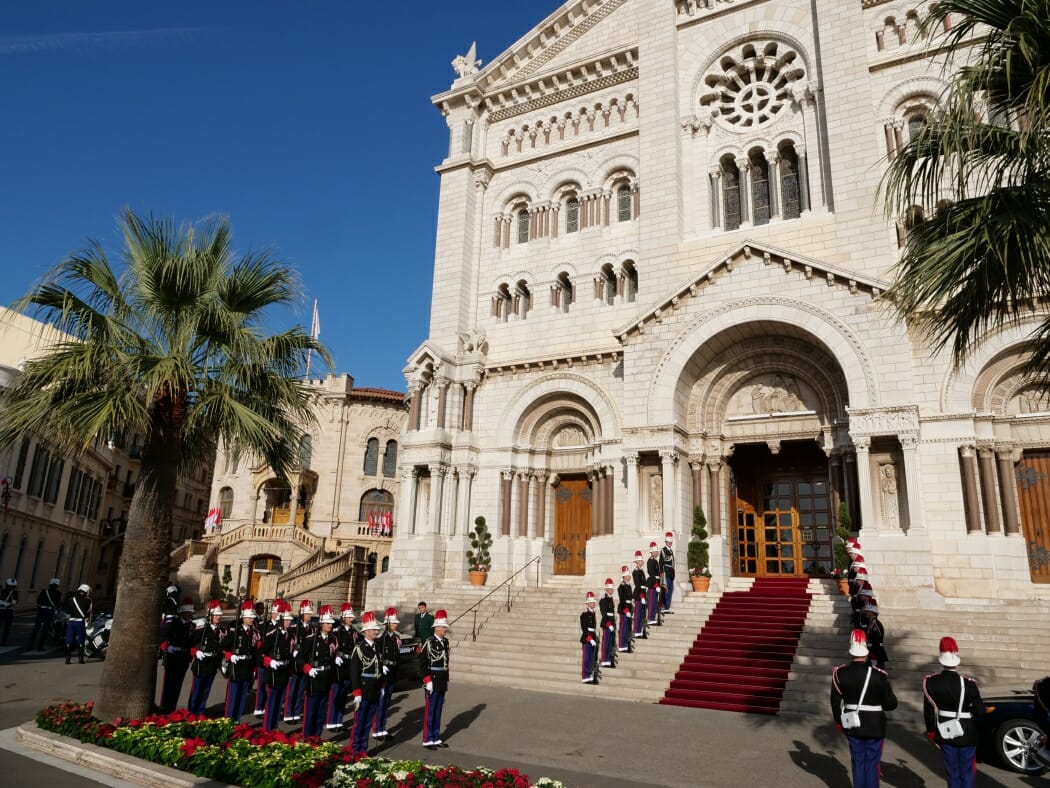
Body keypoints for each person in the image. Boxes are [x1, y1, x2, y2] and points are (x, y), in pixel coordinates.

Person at [831, 629, 898, 788]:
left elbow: (835, 702)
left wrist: (839, 722)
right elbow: (891, 704)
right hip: (875, 724)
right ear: (866, 652)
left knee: (858, 762)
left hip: (852, 723)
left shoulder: (839, 674)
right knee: (873, 764)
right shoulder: (878, 675)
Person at [922, 637, 985, 788]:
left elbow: (929, 712)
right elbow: (980, 711)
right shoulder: (969, 684)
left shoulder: (930, 682)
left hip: (945, 731)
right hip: (967, 732)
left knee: (952, 772)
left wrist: (932, 732)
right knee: (968, 772)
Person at [297, 604, 338, 738]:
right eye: (327, 623)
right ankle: (308, 737)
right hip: (314, 678)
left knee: (321, 712)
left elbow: (332, 657)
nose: (330, 626)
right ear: (321, 624)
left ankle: (317, 737)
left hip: (326, 678)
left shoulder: (332, 639)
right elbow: (300, 658)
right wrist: (308, 669)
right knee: (311, 712)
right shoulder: (312, 640)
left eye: (331, 623)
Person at [350, 610, 383, 760]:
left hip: (374, 688)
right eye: (374, 629)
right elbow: (355, 672)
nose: (376, 631)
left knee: (368, 722)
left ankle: (363, 749)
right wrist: (356, 692)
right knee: (359, 722)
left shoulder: (377, 647)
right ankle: (354, 750)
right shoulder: (359, 648)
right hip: (363, 688)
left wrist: (381, 686)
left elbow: (379, 669)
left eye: (376, 629)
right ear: (366, 631)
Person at [221, 599, 260, 721]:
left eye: (252, 618)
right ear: (243, 618)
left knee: (242, 696)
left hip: (247, 667)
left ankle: (236, 720)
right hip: (236, 666)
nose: (251, 619)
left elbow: (254, 652)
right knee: (233, 696)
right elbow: (222, 647)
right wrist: (229, 655)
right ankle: (229, 720)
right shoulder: (235, 631)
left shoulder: (253, 632)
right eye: (249, 617)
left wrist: (254, 669)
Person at [260, 603, 295, 732]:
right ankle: (267, 729)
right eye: (286, 619)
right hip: (274, 672)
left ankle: (274, 728)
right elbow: (261, 653)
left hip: (284, 672)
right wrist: (270, 661)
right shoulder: (274, 635)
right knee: (272, 702)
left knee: (279, 702)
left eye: (290, 619)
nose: (289, 622)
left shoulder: (290, 635)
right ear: (281, 620)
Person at [420, 609, 451, 750]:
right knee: (430, 711)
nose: (445, 629)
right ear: (437, 628)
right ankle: (428, 739)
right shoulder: (429, 642)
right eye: (443, 627)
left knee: (438, 710)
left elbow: (446, 662)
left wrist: (446, 680)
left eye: (445, 627)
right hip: (432, 679)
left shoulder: (445, 642)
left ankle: (436, 737)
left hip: (441, 680)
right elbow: (423, 663)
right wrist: (427, 680)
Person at [158, 597, 195, 713]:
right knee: (169, 685)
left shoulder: (191, 626)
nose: (189, 615)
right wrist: (167, 647)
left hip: (183, 658)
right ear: (182, 612)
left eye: (191, 613)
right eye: (187, 612)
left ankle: (172, 708)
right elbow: (161, 635)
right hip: (172, 657)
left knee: (177, 685)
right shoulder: (173, 622)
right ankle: (165, 708)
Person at [188, 600, 225, 714]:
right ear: (210, 616)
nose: (218, 617)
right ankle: (192, 712)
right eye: (216, 615)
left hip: (212, 663)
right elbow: (190, 643)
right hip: (201, 663)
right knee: (197, 690)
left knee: (206, 690)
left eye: (219, 615)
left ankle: (200, 711)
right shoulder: (202, 629)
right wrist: (196, 652)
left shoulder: (221, 630)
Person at [327, 602, 357, 731]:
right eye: (349, 617)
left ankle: (338, 721)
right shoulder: (336, 632)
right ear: (344, 618)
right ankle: (331, 721)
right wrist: (336, 656)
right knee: (335, 694)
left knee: (344, 694)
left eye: (352, 617)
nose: (352, 619)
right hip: (339, 665)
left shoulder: (354, 632)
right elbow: (331, 648)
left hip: (348, 665)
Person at [284, 600, 315, 722]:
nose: (310, 615)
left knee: (301, 690)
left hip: (305, 663)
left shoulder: (312, 629)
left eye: (310, 613)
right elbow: (288, 643)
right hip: (294, 664)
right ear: (302, 614)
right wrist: (293, 651)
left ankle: (296, 713)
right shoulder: (294, 628)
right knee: (291, 690)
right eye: (308, 613)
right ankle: (288, 713)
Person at [374, 606, 401, 738]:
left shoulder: (396, 638)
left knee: (387, 702)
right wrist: (381, 665)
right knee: (381, 702)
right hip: (383, 674)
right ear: (388, 624)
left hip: (392, 673)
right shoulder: (381, 639)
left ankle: (382, 728)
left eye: (396, 623)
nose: (396, 625)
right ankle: (377, 729)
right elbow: (376, 656)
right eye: (394, 623)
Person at [253, 599, 283, 716]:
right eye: (275, 613)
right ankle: (259, 707)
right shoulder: (264, 626)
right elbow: (260, 644)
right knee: (261, 685)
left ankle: (268, 706)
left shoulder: (282, 628)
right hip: (264, 660)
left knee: (272, 686)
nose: (277, 616)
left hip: (276, 661)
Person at [28, 578, 61, 651]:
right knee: (45, 630)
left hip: (41, 611)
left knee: (36, 628)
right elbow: (58, 603)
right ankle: (40, 646)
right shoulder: (58, 593)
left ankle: (30, 646)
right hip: (49, 612)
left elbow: (38, 601)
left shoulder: (44, 592)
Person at [64, 583, 92, 664]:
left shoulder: (71, 599)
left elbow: (67, 609)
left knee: (69, 639)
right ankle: (80, 659)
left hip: (71, 622)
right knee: (81, 639)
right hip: (80, 622)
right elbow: (89, 613)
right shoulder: (88, 600)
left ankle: (67, 659)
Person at [861, 599, 888, 671]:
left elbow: (876, 641)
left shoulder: (875, 625)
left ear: (871, 612)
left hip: (876, 653)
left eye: (867, 610)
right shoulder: (871, 623)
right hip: (871, 652)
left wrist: (874, 655)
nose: (865, 612)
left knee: (878, 673)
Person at [580, 591, 599, 684]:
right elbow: (585, 628)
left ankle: (589, 674)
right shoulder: (584, 614)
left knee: (591, 657)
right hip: (587, 638)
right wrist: (590, 639)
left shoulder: (593, 613)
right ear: (588, 603)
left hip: (592, 636)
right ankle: (585, 676)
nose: (593, 603)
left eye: (594, 602)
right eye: (592, 602)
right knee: (586, 658)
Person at [598, 579, 616, 668]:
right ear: (607, 589)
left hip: (612, 623)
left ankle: (608, 660)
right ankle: (604, 660)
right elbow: (604, 614)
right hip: (607, 624)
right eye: (611, 589)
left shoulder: (610, 598)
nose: (612, 590)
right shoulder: (603, 599)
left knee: (610, 643)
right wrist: (609, 625)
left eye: (612, 588)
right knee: (606, 643)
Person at [617, 565, 634, 653]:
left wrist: (631, 610)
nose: (629, 576)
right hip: (624, 610)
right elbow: (622, 600)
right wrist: (626, 611)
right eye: (627, 575)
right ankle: (621, 646)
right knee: (623, 628)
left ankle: (627, 645)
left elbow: (630, 599)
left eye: (629, 575)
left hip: (629, 608)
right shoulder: (622, 586)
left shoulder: (629, 585)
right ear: (623, 576)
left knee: (628, 628)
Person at [646, 542, 662, 626]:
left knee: (655, 602)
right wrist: (656, 585)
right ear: (652, 552)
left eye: (657, 551)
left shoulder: (655, 561)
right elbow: (651, 574)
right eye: (655, 551)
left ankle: (653, 617)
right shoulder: (650, 561)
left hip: (656, 583)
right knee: (651, 602)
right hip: (652, 584)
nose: (657, 553)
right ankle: (650, 618)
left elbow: (658, 574)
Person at [660, 531, 676, 614]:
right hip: (666, 573)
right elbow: (661, 563)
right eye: (669, 542)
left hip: (671, 574)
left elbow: (672, 563)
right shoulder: (663, 550)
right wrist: (662, 574)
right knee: (666, 590)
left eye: (671, 542)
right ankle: (665, 606)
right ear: (666, 542)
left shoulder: (671, 551)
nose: (670, 543)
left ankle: (667, 606)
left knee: (670, 589)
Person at [0, 578, 18, 646]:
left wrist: (3, 603)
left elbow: (14, 602)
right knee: (7, 627)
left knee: (7, 627)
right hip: (8, 611)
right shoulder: (14, 592)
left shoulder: (2, 591)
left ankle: (4, 641)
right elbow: (14, 602)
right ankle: (4, 641)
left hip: (3, 610)